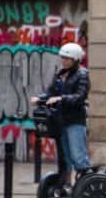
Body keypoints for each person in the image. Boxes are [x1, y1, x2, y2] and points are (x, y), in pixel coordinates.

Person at [31, 42, 90, 182]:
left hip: (75, 121)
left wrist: (61, 98)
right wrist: (40, 98)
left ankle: (87, 184)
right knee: (65, 158)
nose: (63, 61)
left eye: (67, 58)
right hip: (60, 121)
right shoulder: (60, 74)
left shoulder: (82, 74)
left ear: (75, 59)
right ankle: (66, 185)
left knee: (78, 156)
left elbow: (80, 96)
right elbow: (51, 92)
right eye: (62, 58)